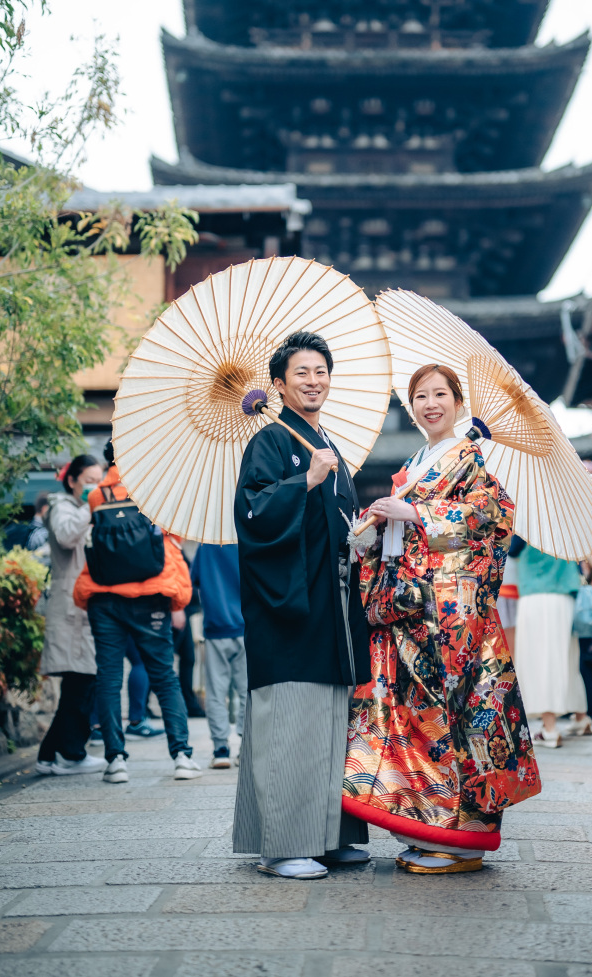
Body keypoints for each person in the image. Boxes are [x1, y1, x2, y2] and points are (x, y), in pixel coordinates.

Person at [343, 364, 541, 875]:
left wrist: (420, 516)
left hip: (453, 618)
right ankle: (437, 827)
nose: (430, 404)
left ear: (458, 403)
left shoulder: (469, 458)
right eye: (420, 397)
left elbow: (491, 521)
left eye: (440, 395)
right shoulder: (417, 462)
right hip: (413, 610)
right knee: (421, 720)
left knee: (457, 717)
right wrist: (377, 526)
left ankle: (466, 839)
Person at [232, 330, 371, 880]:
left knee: (333, 722)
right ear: (278, 386)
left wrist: (364, 530)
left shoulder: (328, 443)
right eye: (301, 374)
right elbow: (252, 518)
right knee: (291, 719)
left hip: (332, 607)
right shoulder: (268, 443)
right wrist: (303, 482)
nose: (313, 381)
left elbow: (339, 525)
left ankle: (328, 835)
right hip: (289, 608)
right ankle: (283, 843)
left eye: (320, 372)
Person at [74, 441, 201, 783]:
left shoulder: (97, 494)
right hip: (150, 593)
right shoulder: (154, 489)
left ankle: (115, 759)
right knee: (164, 674)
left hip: (103, 596)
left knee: (109, 675)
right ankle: (182, 756)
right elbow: (173, 536)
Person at [35, 455, 106, 777]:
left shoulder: (81, 507)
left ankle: (49, 755)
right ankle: (70, 753)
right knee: (81, 680)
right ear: (72, 480)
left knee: (81, 681)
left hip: (81, 606)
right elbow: (65, 535)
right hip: (70, 608)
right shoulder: (62, 506)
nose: (95, 485)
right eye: (89, 479)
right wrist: (92, 505)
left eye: (99, 479)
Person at [511, 538, 591, 747]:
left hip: (536, 596)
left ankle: (549, 729)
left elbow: (511, 551)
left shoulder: (527, 521)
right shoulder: (567, 522)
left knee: (539, 659)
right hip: (565, 597)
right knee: (566, 657)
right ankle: (581, 719)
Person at [191, 544, 248, 768]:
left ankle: (220, 748)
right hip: (245, 626)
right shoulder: (245, 539)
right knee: (247, 690)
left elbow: (194, 580)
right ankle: (246, 746)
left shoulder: (204, 545)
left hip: (215, 627)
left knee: (216, 691)